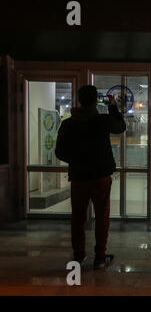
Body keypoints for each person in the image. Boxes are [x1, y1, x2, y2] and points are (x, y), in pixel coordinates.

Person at [55, 85, 126, 269]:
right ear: (96, 100)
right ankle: (100, 257)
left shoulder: (69, 124)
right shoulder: (101, 121)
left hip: (78, 177)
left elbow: (60, 152)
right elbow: (120, 126)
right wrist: (112, 106)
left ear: (79, 100)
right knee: (102, 217)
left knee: (78, 217)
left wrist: (77, 160)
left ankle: (78, 255)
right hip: (100, 177)